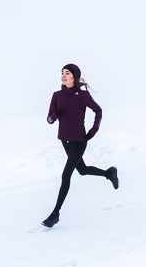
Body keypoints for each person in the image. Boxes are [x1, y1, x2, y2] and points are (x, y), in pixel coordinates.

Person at [43, 63, 118, 228]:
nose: (63, 75)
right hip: (64, 139)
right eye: (62, 73)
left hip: (79, 140)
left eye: (67, 73)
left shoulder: (82, 95)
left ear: (74, 77)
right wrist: (57, 114)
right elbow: (49, 119)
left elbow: (98, 111)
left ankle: (55, 213)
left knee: (66, 175)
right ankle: (109, 173)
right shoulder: (56, 95)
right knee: (82, 170)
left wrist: (93, 131)